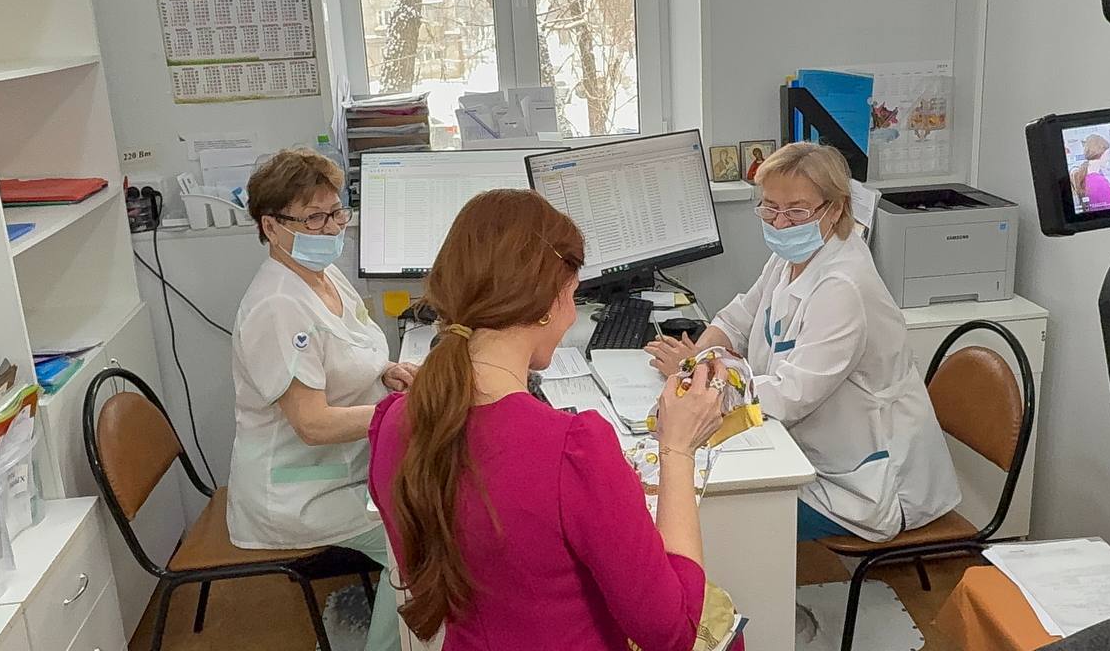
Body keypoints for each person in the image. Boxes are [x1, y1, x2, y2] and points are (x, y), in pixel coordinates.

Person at [367, 189, 746, 650]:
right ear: (550, 301)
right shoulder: (573, 448)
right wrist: (678, 449)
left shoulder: (393, 423)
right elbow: (674, 633)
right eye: (573, 294)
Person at [646, 142, 961, 543]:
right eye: (770, 208)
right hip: (809, 452)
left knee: (715, 517)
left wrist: (699, 382)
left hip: (861, 485)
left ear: (835, 209)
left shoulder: (843, 285)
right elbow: (734, 320)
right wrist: (700, 362)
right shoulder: (791, 258)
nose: (780, 224)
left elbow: (790, 395)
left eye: (796, 211)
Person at [228, 148, 413, 651]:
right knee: (417, 542)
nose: (331, 228)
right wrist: (400, 412)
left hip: (341, 468)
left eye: (336, 213)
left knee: (428, 510)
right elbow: (312, 424)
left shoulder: (323, 276)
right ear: (271, 226)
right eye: (313, 218)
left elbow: (346, 353)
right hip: (300, 491)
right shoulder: (277, 305)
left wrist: (387, 372)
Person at [1070, 134, 1110, 210]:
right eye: (1108, 154)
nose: (1109, 158)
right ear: (1100, 154)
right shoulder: (1099, 181)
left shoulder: (1086, 175)